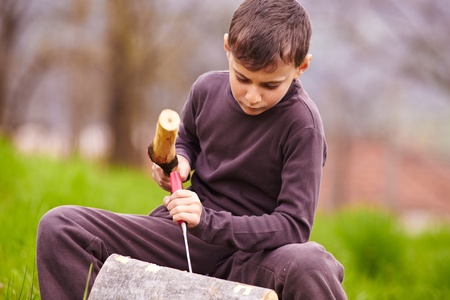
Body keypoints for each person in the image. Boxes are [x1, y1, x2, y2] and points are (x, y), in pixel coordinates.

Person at [36, 0, 346, 299]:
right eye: (242, 78)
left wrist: (209, 221)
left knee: (311, 265)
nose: (252, 96)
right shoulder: (206, 89)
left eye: (269, 86)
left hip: (254, 257)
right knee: (60, 227)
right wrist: (177, 163)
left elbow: (294, 226)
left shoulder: (303, 125)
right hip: (183, 238)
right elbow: (187, 141)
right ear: (228, 48)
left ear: (301, 67)